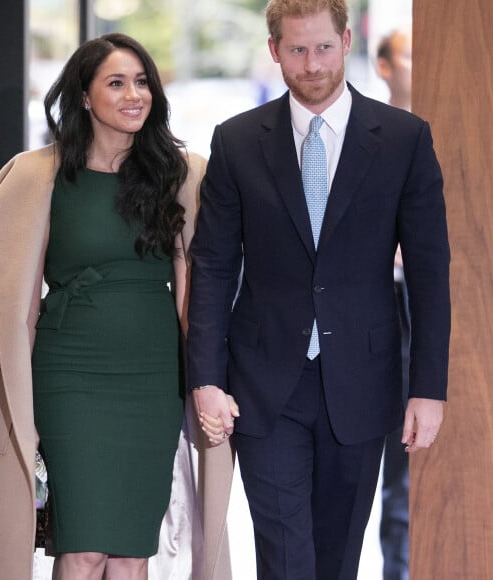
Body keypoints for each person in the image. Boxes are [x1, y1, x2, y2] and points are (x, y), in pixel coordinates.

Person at [187, 1, 450, 579]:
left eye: (324, 48)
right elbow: (211, 265)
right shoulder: (236, 142)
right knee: (284, 559)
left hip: (362, 380)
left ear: (347, 41)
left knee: (337, 561)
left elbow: (431, 273)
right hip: (264, 386)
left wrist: (429, 388)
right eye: (298, 49)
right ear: (275, 50)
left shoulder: (405, 139)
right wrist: (205, 379)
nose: (312, 64)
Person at [0, 32, 207, 580]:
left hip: (152, 378)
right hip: (69, 375)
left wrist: (207, 381)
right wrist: (15, 405)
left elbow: (195, 293)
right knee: (82, 549)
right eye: (117, 82)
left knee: (130, 552)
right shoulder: (42, 175)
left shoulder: (180, 173)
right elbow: (20, 306)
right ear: (83, 95)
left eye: (143, 82)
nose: (135, 95)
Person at [376, 28, 414, 580]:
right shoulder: (371, 135)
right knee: (392, 471)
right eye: (410, 54)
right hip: (383, 304)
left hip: (426, 304)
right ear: (384, 65)